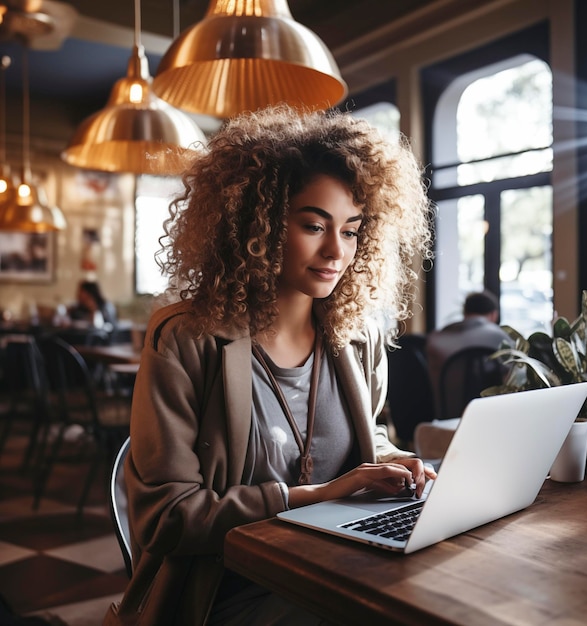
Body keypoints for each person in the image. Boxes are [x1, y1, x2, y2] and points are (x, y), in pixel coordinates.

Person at [104, 104, 437, 626]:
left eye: (351, 230)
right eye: (313, 225)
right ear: (254, 224)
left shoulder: (357, 336)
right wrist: (314, 495)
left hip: (340, 568)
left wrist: (398, 465)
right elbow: (166, 519)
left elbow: (364, 443)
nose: (336, 251)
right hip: (228, 592)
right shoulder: (187, 340)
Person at [426, 290, 510, 417]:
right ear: (494, 315)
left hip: (444, 418)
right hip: (489, 417)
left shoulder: (435, 339)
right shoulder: (500, 337)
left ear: (465, 312)